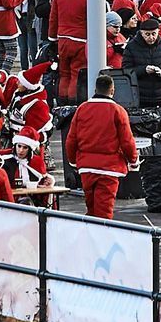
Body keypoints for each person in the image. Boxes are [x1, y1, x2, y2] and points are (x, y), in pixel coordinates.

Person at [62, 72, 138, 218]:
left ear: (95, 90)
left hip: (86, 167)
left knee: (91, 209)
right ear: (112, 91)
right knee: (104, 212)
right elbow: (127, 141)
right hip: (109, 168)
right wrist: (133, 161)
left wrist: (73, 161)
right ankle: (101, 238)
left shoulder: (82, 109)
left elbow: (71, 140)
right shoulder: (118, 111)